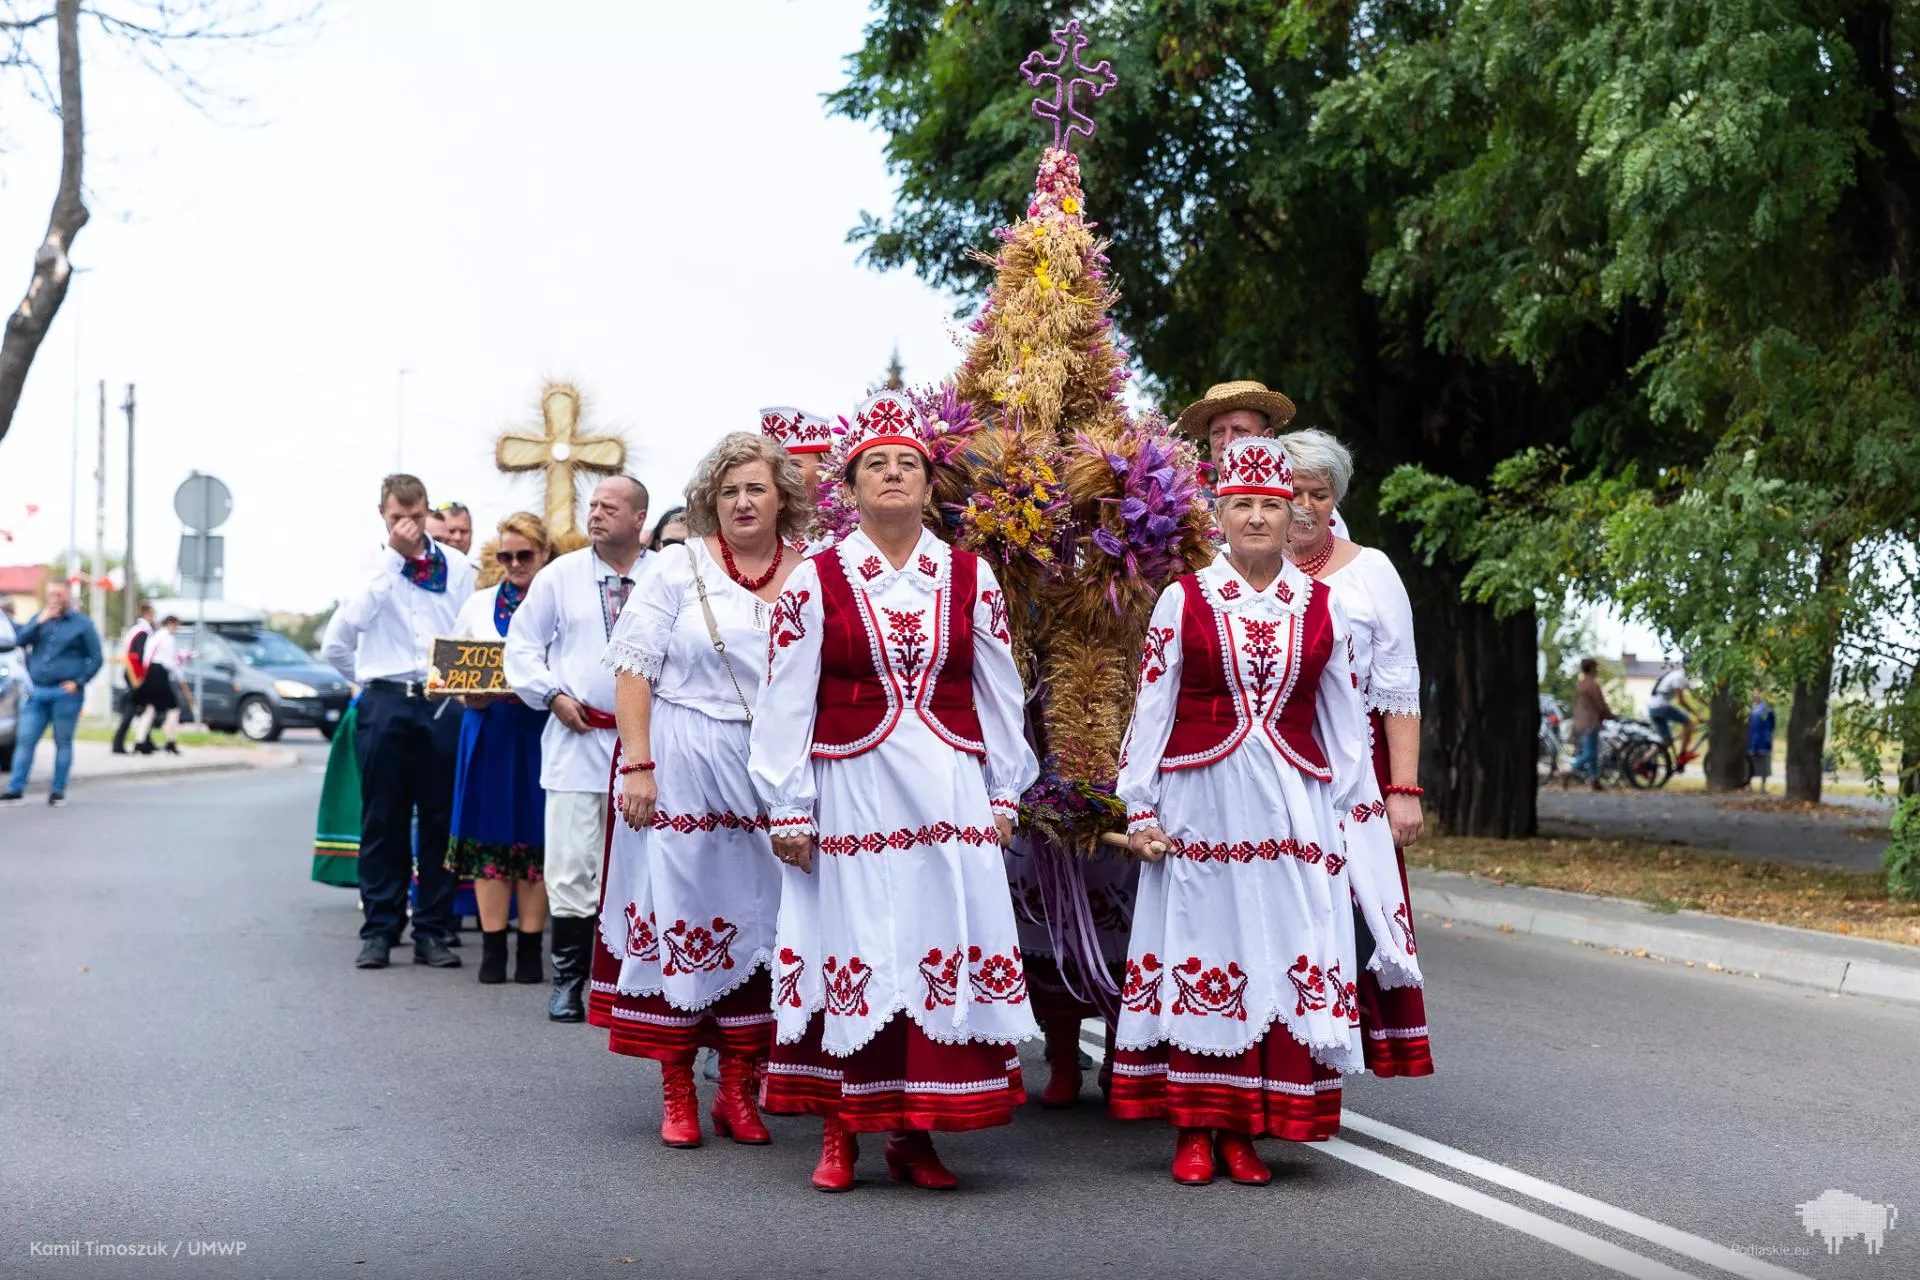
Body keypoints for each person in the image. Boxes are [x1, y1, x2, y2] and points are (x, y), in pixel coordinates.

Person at [750, 391, 1040, 1193]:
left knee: (933, 940)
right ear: (849, 485)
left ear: (927, 484)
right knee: (855, 943)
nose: (891, 474)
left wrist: (1005, 791)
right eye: (875, 463)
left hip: (948, 788)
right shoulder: (817, 580)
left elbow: (1000, 691)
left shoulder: (968, 576)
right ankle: (842, 1129)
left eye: (906, 463)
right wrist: (789, 804)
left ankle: (918, 1133)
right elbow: (785, 698)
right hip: (851, 784)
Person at [1110, 438, 1385, 1185]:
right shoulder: (1185, 598)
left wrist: (1350, 819)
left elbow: (1345, 724)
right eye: (1243, 505)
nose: (1259, 517)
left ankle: (1251, 1129)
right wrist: (1140, 807)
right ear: (1220, 516)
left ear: (1294, 511)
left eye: (1272, 504)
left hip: (1292, 808)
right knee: (1209, 950)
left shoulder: (1322, 605)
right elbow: (1153, 705)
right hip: (1202, 803)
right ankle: (1197, 1129)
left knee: (1279, 951)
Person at [599, 432, 806, 1149]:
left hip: (772, 774)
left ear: (783, 496)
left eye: (755, 488)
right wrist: (639, 764)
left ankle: (739, 1090)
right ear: (710, 502)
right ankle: (679, 1086)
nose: (742, 502)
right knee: (684, 915)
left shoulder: (812, 572)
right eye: (728, 491)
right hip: (683, 762)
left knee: (765, 921)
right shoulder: (676, 568)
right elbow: (633, 670)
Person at [1281, 427, 1432, 1080]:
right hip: (1269, 768)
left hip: (1354, 777)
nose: (1303, 505)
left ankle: (1324, 1062)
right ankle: (1271, 1062)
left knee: (1346, 918)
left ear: (1335, 498)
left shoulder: (1371, 572)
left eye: (1318, 492)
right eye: (1292, 491)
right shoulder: (1249, 571)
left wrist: (1403, 790)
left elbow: (1400, 691)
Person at [504, 474, 651, 1021]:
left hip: (646, 744)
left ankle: (642, 981)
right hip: (576, 736)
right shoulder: (559, 577)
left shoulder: (667, 575)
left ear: (639, 518)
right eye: (592, 505)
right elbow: (521, 646)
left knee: (645, 863)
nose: (596, 514)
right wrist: (550, 694)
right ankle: (568, 980)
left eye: (610, 507)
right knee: (569, 863)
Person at [320, 473, 477, 970]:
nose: (406, 526)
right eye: (396, 518)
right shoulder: (371, 564)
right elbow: (345, 633)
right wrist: (393, 557)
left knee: (437, 820)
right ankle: (381, 928)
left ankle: (433, 928)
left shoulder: (456, 566)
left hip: (440, 701)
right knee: (382, 819)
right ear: (383, 516)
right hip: (386, 699)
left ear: (427, 510)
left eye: (414, 517)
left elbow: (465, 631)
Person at [450, 513, 553, 985]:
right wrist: (465, 692)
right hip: (488, 725)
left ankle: (530, 948)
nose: (514, 564)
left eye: (524, 555)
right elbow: (452, 668)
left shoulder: (560, 601)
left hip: (542, 729)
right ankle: (493, 948)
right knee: (490, 837)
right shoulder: (477, 604)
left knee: (536, 837)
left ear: (544, 553)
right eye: (505, 556)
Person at [0, 581, 103, 807]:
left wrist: (79, 682)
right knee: (25, 741)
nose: (55, 599)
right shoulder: (40, 619)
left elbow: (96, 658)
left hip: (65, 693)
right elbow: (20, 640)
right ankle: (15, 789)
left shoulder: (82, 624)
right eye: (51, 594)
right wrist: (40, 621)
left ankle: (57, 791)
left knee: (62, 742)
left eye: (59, 594)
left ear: (68, 596)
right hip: (37, 691)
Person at [130, 615, 185, 755]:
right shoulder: (168, 639)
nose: (177, 629)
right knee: (174, 708)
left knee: (150, 708)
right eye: (176, 626)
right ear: (171, 623)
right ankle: (170, 740)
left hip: (150, 673)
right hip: (160, 674)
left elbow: (147, 657)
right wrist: (181, 677)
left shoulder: (154, 636)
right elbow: (170, 662)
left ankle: (139, 741)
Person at [111, 602, 156, 754]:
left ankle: (146, 741)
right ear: (147, 614)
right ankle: (118, 743)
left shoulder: (136, 630)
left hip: (132, 672)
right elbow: (141, 656)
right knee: (134, 707)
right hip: (135, 674)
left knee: (143, 707)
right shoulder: (142, 633)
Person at [1569, 658, 1612, 788]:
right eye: (1596, 668)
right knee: (1590, 752)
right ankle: (1569, 771)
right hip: (1591, 722)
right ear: (1592, 668)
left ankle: (1594, 780)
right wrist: (1610, 715)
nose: (1597, 671)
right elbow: (1600, 704)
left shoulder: (1580, 684)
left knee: (1591, 751)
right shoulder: (1592, 685)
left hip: (1580, 722)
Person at [1648, 666, 1701, 767]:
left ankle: (1642, 763)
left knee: (1666, 741)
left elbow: (1695, 694)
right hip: (1661, 706)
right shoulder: (1679, 677)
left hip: (1653, 707)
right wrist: (1697, 714)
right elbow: (1681, 701)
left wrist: (1708, 704)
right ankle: (1683, 754)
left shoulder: (1677, 675)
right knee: (1688, 723)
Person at [1748, 689, 1776, 793]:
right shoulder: (1750, 708)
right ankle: (1749, 785)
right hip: (1751, 741)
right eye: (1754, 692)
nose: (1755, 694)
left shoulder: (1767, 709)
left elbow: (1773, 724)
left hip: (1763, 741)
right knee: (1750, 763)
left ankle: (1762, 787)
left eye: (1757, 692)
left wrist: (1767, 735)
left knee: (1764, 764)